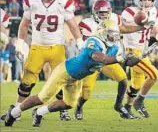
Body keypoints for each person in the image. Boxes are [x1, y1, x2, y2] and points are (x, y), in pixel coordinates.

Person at [4, 20, 141, 127]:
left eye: (115, 35)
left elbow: (127, 63)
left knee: (69, 103)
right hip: (65, 71)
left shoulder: (113, 47)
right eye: (111, 34)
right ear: (103, 32)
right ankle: (14, 113)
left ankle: (39, 112)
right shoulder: (94, 40)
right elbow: (98, 57)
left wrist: (136, 58)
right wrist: (120, 58)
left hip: (77, 78)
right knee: (42, 98)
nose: (114, 38)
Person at [1, 0, 83, 121]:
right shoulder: (32, 2)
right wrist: (20, 44)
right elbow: (24, 24)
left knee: (62, 78)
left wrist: (80, 42)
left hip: (57, 47)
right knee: (27, 81)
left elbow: (72, 25)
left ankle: (63, 110)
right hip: (37, 47)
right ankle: (16, 111)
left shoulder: (62, 3)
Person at [121, 0, 158, 118]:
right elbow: (121, 29)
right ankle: (139, 101)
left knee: (136, 84)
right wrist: (141, 27)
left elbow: (155, 29)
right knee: (154, 75)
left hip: (143, 51)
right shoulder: (129, 11)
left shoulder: (155, 12)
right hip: (132, 52)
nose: (146, 2)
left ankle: (126, 109)